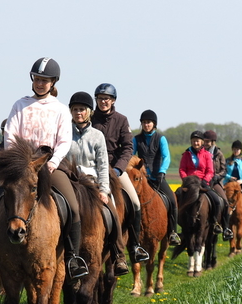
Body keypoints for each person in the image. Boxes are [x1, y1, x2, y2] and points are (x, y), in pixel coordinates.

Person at [0, 57, 88, 280]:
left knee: (72, 206)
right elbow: (10, 135)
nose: (40, 83)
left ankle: (73, 258)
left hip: (50, 164)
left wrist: (52, 163)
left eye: (45, 80)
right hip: (19, 165)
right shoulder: (20, 104)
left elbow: (64, 141)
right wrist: (17, 164)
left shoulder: (61, 110)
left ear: (53, 82)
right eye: (37, 79)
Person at [66, 91, 129, 276]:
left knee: (112, 211)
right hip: (70, 182)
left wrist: (104, 190)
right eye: (75, 109)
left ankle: (119, 255)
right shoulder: (64, 133)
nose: (78, 113)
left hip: (92, 183)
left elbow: (103, 165)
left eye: (82, 109)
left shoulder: (97, 136)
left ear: (89, 112)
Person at [91, 83, 148, 264]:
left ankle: (135, 246)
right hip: (91, 168)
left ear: (113, 101)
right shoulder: (90, 118)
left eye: (106, 99)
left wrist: (118, 168)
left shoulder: (121, 120)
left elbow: (128, 148)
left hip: (116, 168)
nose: (103, 102)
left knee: (135, 203)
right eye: (100, 99)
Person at [132, 110, 181, 246]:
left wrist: (162, 171)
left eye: (148, 122)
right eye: (144, 122)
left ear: (154, 124)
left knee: (172, 200)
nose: (146, 124)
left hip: (157, 177)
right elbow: (131, 156)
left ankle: (173, 232)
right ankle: (128, 233)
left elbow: (166, 157)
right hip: (142, 179)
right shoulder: (136, 139)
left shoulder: (161, 139)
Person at [178, 130, 233, 241]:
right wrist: (186, 180)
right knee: (175, 199)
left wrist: (205, 180)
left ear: (202, 142)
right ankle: (176, 230)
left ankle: (217, 224)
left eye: (197, 141)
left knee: (218, 201)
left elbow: (210, 170)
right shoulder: (186, 154)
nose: (195, 143)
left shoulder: (208, 155)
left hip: (204, 183)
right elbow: (182, 169)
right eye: (193, 141)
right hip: (189, 184)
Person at [203, 130, 234, 240]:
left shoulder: (218, 154)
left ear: (213, 142)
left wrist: (216, 177)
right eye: (205, 141)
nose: (206, 143)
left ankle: (225, 228)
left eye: (208, 141)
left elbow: (224, 170)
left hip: (215, 181)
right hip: (202, 181)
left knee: (225, 202)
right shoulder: (200, 152)